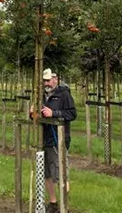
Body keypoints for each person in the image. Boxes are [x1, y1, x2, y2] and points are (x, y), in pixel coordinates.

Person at [41, 68, 77, 213]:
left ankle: (64, 206)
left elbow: (72, 113)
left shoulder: (64, 95)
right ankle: (53, 203)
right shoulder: (42, 95)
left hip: (59, 140)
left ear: (56, 79)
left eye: (49, 80)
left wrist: (54, 113)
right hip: (44, 139)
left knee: (60, 174)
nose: (46, 83)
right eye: (44, 80)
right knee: (46, 173)